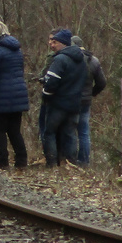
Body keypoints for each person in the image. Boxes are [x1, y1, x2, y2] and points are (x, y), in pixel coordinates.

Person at [0, 20, 29, 170]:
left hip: (1, 96)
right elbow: (20, 71)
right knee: (15, 130)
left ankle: (2, 163)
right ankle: (21, 162)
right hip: (18, 94)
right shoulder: (17, 49)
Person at [40, 29, 87, 166]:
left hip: (58, 104)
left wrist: (46, 94)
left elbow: (51, 83)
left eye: (55, 42)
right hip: (75, 104)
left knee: (49, 133)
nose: (52, 45)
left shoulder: (60, 59)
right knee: (70, 134)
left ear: (63, 43)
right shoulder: (81, 60)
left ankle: (52, 164)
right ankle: (70, 163)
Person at [70, 34, 107, 167]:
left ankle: (71, 160)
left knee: (70, 130)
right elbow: (102, 83)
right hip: (86, 101)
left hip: (71, 100)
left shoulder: (70, 59)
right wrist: (92, 93)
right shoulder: (94, 61)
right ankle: (84, 161)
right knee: (84, 132)